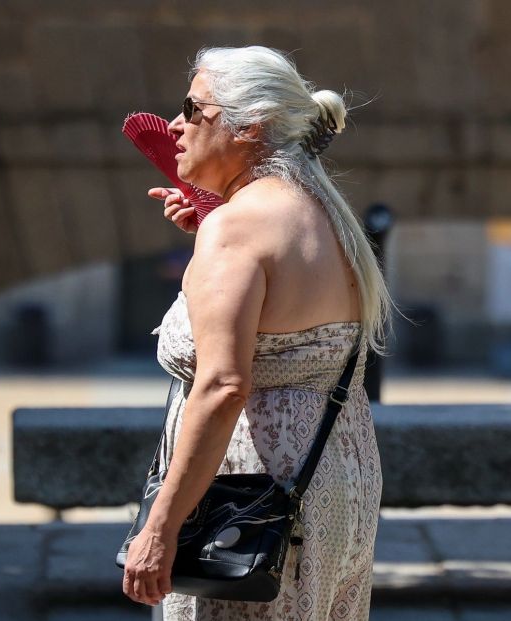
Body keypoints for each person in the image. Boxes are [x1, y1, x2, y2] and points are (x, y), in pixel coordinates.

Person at [122, 46, 392, 621]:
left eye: (194, 109)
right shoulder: (324, 211)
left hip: (248, 498)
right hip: (334, 477)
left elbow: (223, 386)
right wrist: (209, 230)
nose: (175, 125)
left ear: (251, 126)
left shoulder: (237, 231)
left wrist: (160, 527)